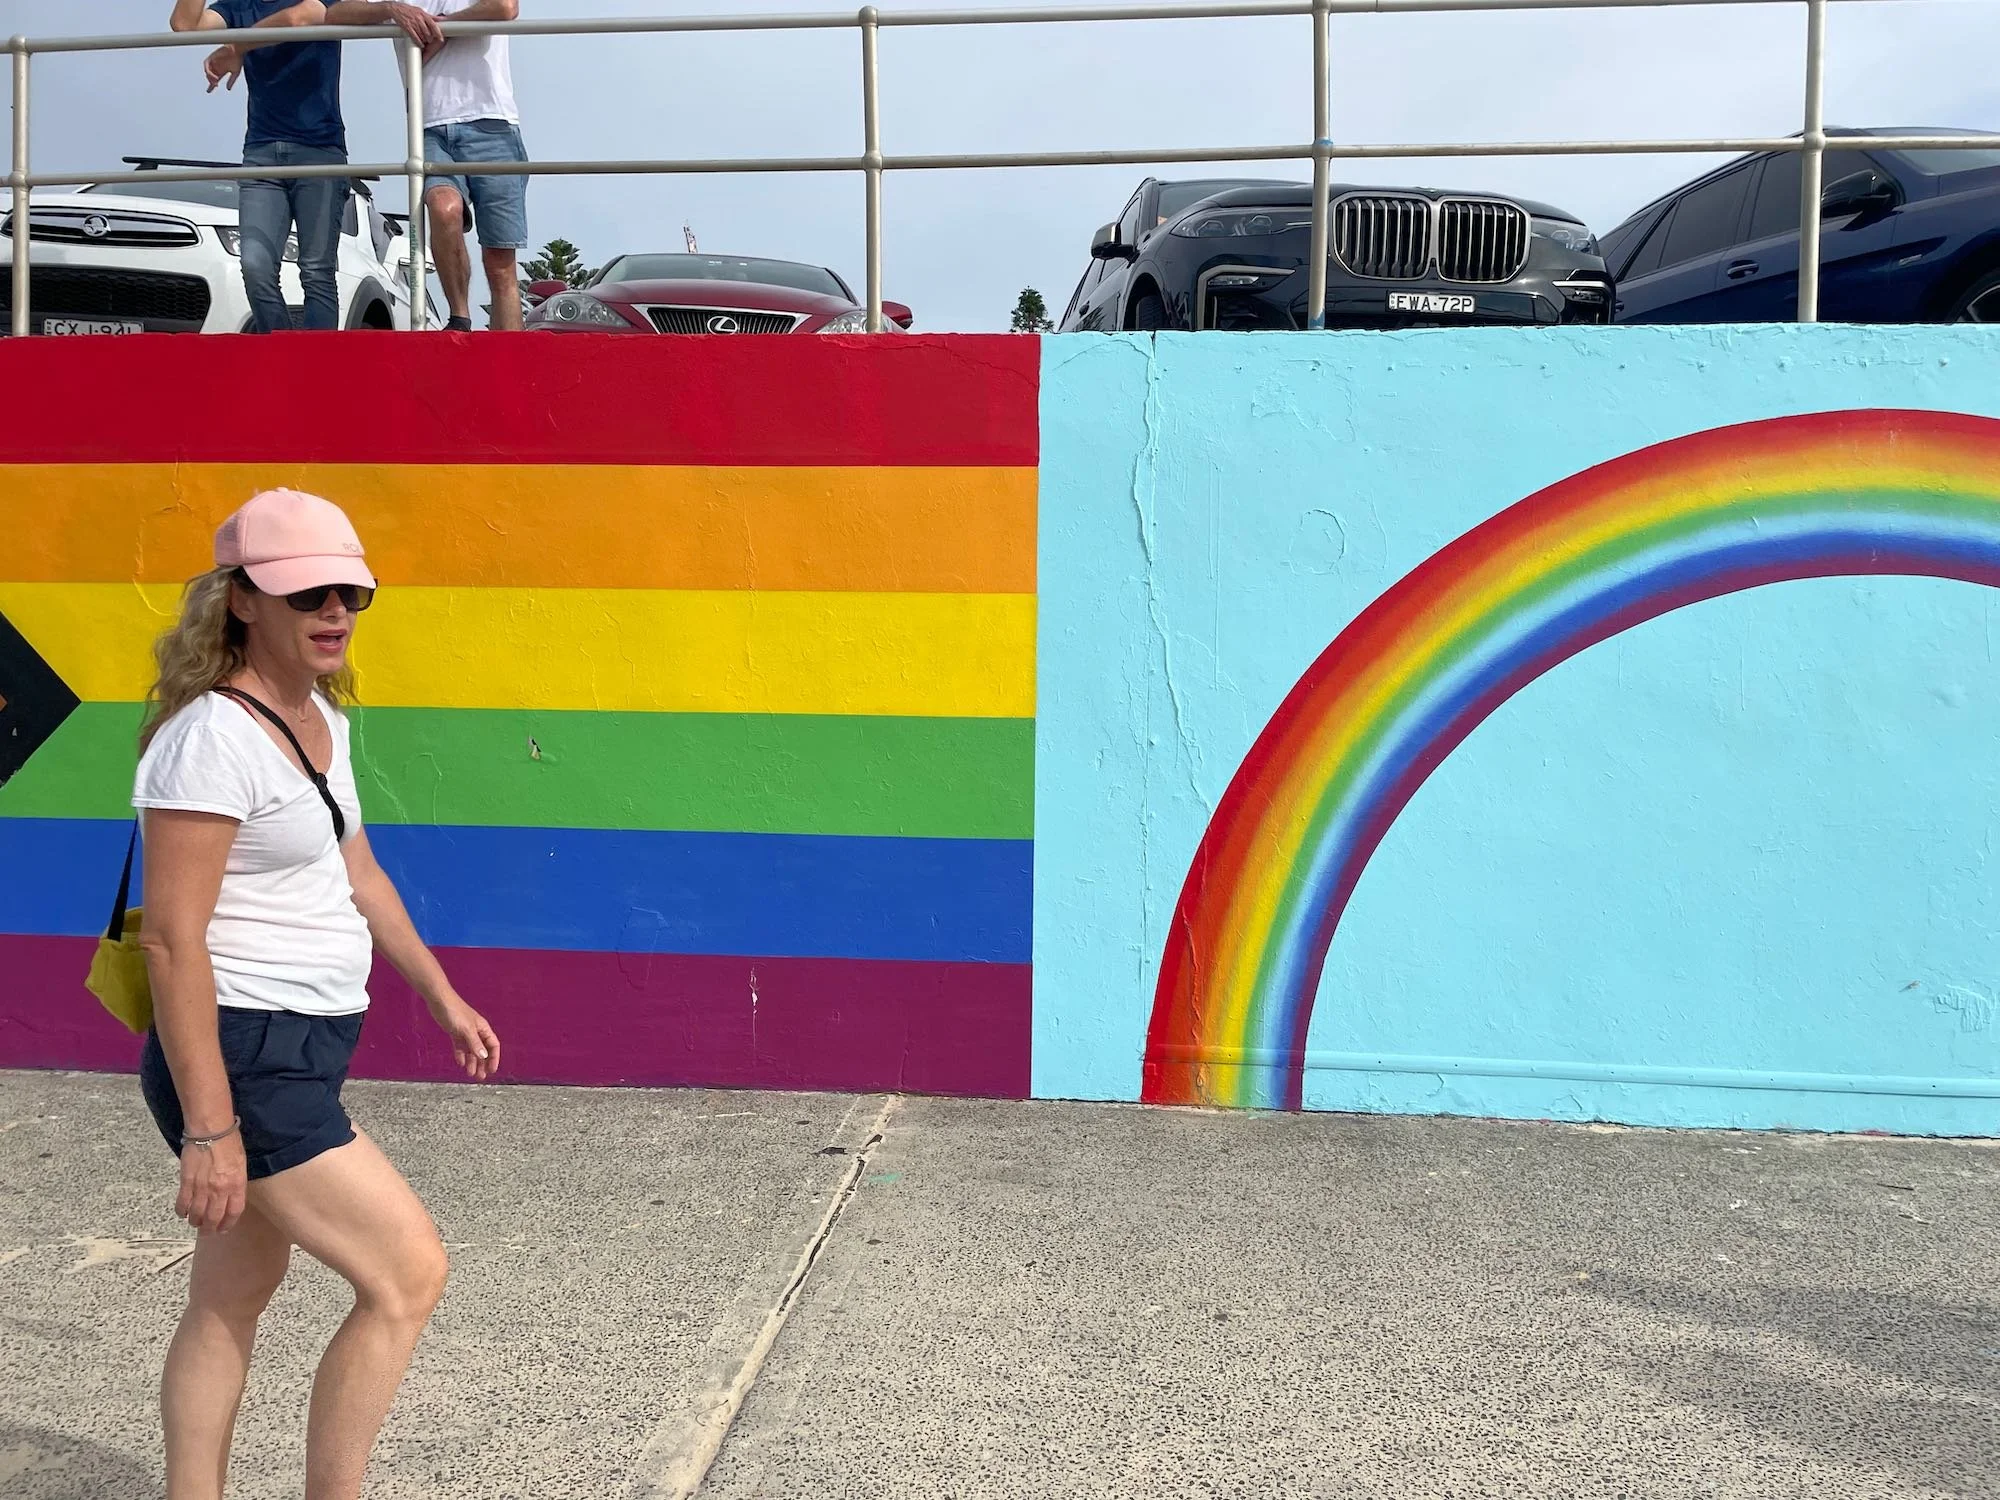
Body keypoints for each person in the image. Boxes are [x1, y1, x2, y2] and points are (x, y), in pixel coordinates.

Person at [135, 488, 500, 1500]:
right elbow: (171, 940)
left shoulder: (319, 721)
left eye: (350, 593)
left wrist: (438, 993)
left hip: (294, 1048)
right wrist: (210, 1127)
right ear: (242, 601)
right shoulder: (210, 737)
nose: (334, 612)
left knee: (232, 1296)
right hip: (244, 1056)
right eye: (308, 596)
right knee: (406, 1274)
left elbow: (360, 875)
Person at [174, 0, 442, 332]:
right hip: (260, 152)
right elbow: (185, 25)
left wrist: (236, 46)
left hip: (320, 150)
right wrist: (236, 46)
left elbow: (303, 17)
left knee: (317, 270)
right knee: (255, 265)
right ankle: (286, 348)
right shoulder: (238, 6)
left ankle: (313, 363)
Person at [334, 0, 528, 331]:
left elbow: (505, 7)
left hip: (494, 123)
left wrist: (442, 28)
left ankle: (507, 369)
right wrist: (393, 10)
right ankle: (460, 319)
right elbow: (336, 13)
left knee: (500, 265)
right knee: (443, 207)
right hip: (430, 127)